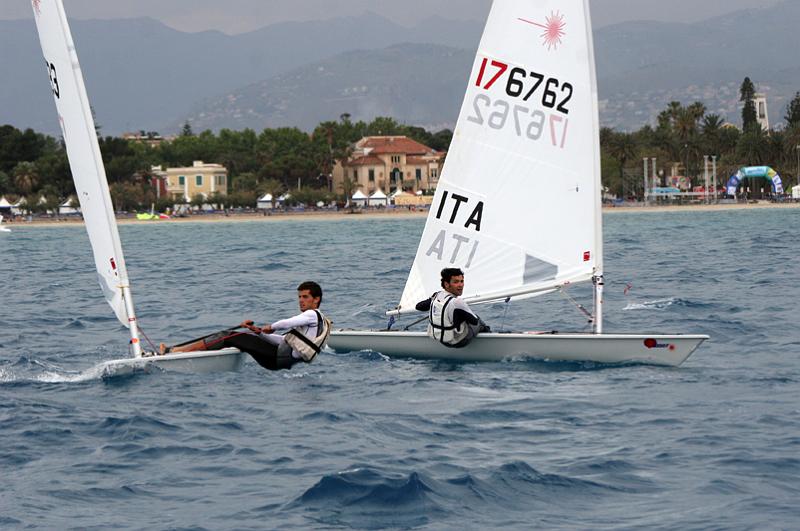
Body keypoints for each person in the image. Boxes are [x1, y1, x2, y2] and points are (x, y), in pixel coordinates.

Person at [163, 281, 331, 371]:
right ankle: (181, 351)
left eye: (305, 297)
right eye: (299, 297)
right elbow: (283, 341)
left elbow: (288, 323)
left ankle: (176, 352)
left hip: (277, 358)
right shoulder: (317, 322)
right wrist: (258, 332)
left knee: (229, 335)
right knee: (236, 336)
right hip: (282, 360)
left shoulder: (312, 315)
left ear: (316, 299)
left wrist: (271, 326)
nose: (301, 300)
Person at [415, 268, 490, 348]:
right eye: (456, 282)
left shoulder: (436, 296)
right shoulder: (458, 302)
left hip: (441, 339)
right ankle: (490, 338)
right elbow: (474, 322)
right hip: (458, 342)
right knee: (478, 320)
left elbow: (419, 307)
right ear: (446, 284)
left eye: (462, 281)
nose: (460, 285)